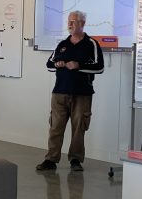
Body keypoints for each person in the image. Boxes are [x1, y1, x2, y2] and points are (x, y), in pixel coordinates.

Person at [36, 9, 105, 173]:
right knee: (55, 127)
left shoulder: (91, 44)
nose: (69, 24)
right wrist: (57, 64)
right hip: (59, 92)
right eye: (69, 21)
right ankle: (51, 159)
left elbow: (99, 67)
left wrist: (79, 66)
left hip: (82, 93)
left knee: (78, 128)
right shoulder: (62, 44)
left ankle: (75, 159)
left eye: (73, 21)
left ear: (82, 23)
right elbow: (49, 64)